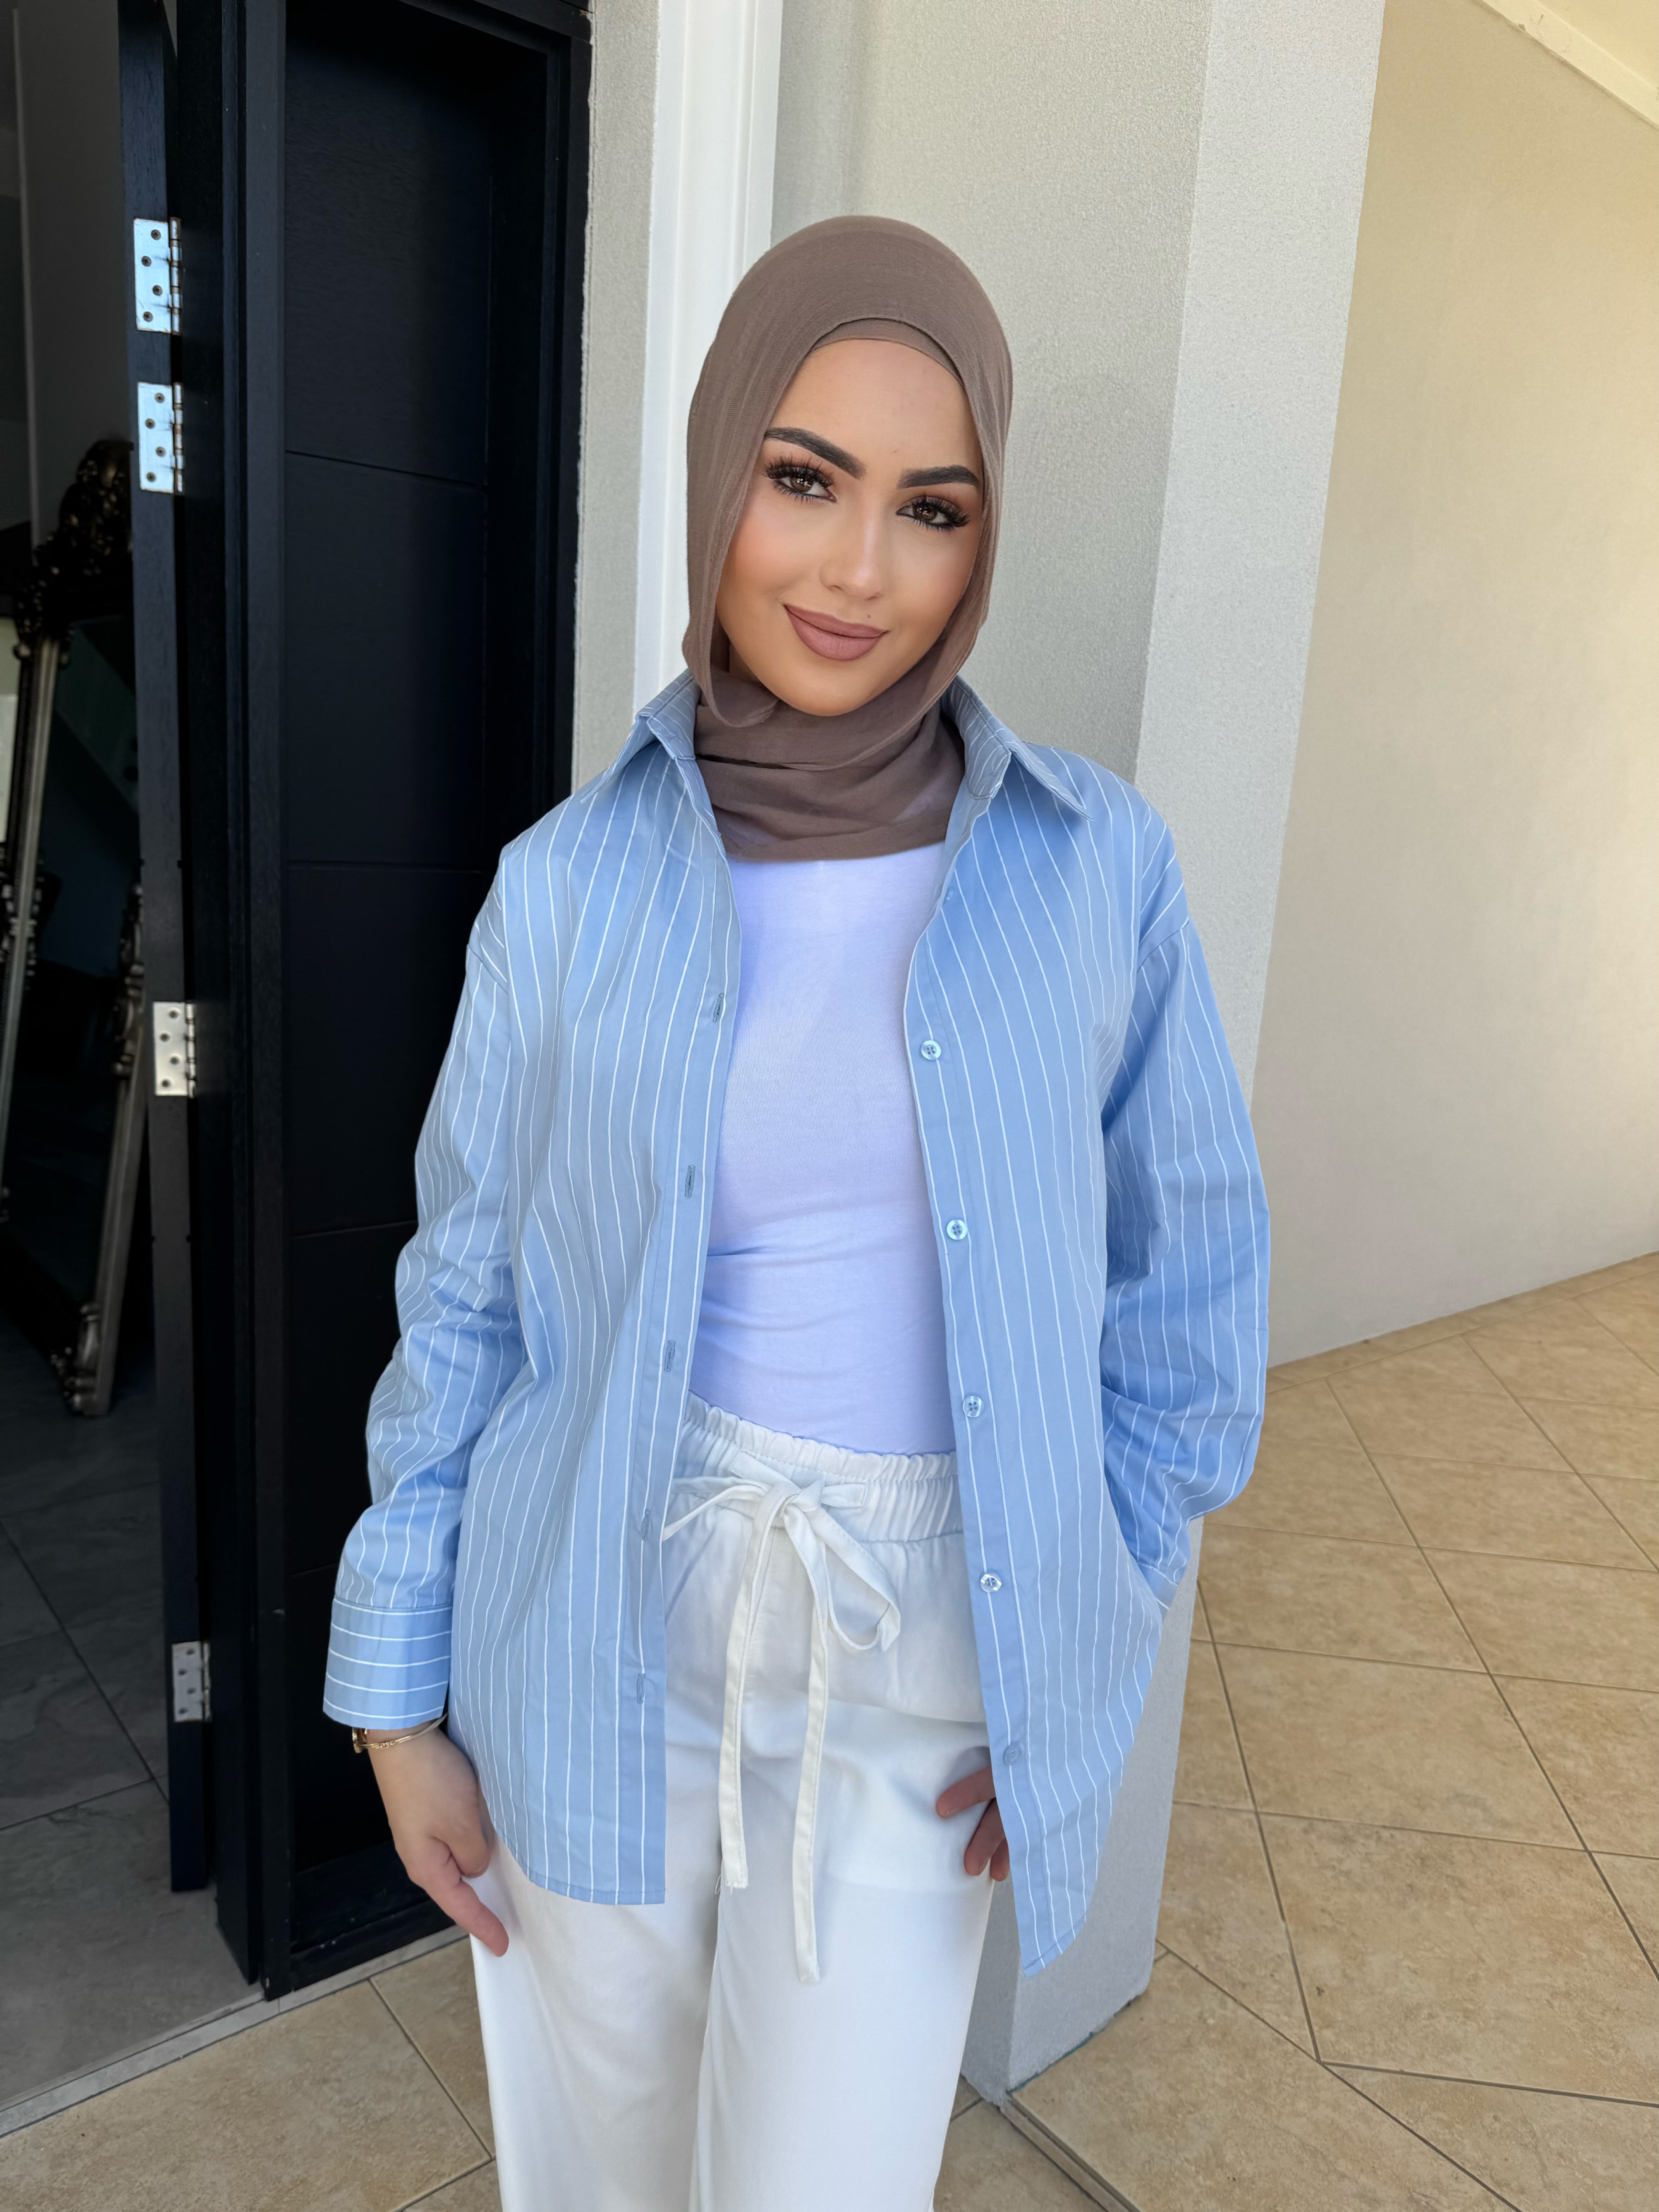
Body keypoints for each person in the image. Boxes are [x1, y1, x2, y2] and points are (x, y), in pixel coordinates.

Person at [324, 215, 1267, 2212]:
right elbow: (466, 1301)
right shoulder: (564, 889)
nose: (857, 573)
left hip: (918, 1664)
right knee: (594, 2174)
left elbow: (1189, 1311)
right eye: (804, 478)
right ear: (718, 476)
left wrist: (1080, 1647)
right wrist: (395, 1703)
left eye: (932, 508)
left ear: (980, 540)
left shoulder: (1096, 874)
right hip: (589, 1627)